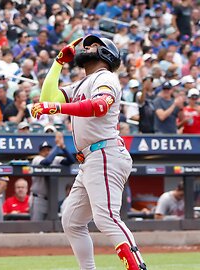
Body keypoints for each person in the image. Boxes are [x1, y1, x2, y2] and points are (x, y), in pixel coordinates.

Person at [31, 35, 147, 269]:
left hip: (105, 152)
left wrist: (57, 107)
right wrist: (57, 62)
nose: (87, 47)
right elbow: (47, 98)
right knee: (72, 220)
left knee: (106, 217)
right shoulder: (82, 83)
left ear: (107, 54)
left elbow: (99, 106)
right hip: (92, 158)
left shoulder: (106, 77)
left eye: (94, 45)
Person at [30, 133, 75, 221]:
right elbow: (46, 162)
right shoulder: (37, 159)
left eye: (48, 150)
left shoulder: (55, 158)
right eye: (44, 150)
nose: (46, 152)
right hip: (38, 198)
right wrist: (57, 146)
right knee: (36, 226)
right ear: (40, 152)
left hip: (52, 199)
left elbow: (71, 160)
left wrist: (63, 147)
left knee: (50, 228)